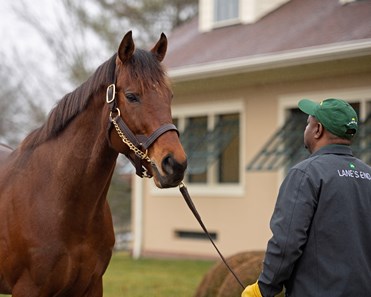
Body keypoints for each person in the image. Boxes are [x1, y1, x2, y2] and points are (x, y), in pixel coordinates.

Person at [242, 98, 371, 297]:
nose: (306, 129)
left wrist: (263, 288)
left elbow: (287, 244)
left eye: (307, 123)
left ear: (317, 129)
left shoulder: (306, 173)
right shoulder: (368, 174)